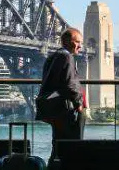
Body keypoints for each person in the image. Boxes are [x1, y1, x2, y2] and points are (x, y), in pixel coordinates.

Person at [36, 28, 85, 162]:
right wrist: (79, 104)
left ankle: (53, 166)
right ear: (69, 41)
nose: (80, 46)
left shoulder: (53, 56)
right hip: (65, 110)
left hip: (53, 108)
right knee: (71, 146)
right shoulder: (66, 56)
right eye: (78, 42)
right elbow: (69, 84)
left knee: (57, 145)